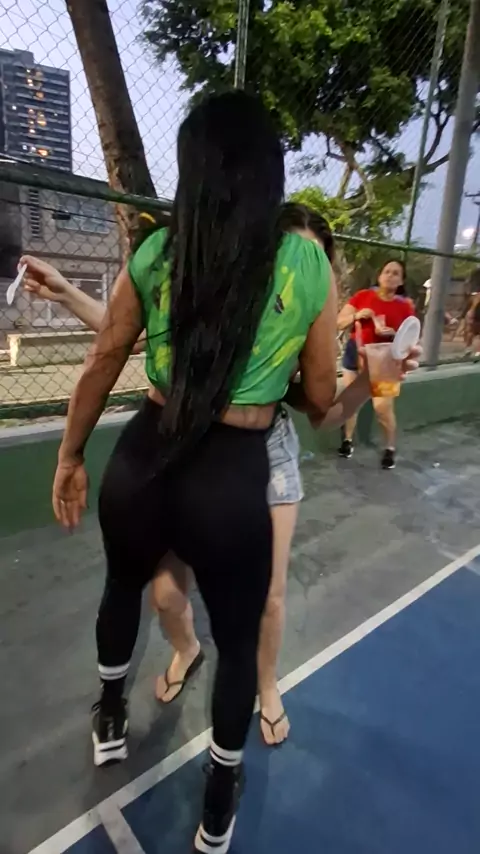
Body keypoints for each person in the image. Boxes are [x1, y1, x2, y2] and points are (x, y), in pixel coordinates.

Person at [44, 91, 341, 854]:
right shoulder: (306, 261)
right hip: (231, 475)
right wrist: (289, 383)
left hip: (146, 452)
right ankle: (217, 803)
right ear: (270, 174)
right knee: (237, 645)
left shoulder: (157, 252)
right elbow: (318, 397)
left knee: (123, 587)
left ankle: (111, 716)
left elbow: (103, 359)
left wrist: (70, 454)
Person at [21, 202, 334, 749]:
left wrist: (315, 384)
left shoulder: (310, 300)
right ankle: (188, 651)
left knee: (267, 597)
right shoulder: (218, 285)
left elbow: (325, 399)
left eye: (308, 257)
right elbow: (129, 336)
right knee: (164, 596)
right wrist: (67, 292)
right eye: (287, 250)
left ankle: (266, 687)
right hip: (185, 449)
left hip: (266, 447)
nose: (293, 265)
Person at [337, 259, 415, 470]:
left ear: (401, 281)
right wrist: (356, 315)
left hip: (385, 359)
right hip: (356, 353)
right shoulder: (363, 296)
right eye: (386, 271)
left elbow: (411, 338)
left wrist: (395, 335)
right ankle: (347, 441)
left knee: (382, 408)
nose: (390, 275)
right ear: (379, 276)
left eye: (396, 273)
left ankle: (389, 448)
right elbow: (339, 322)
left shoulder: (404, 306)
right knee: (351, 403)